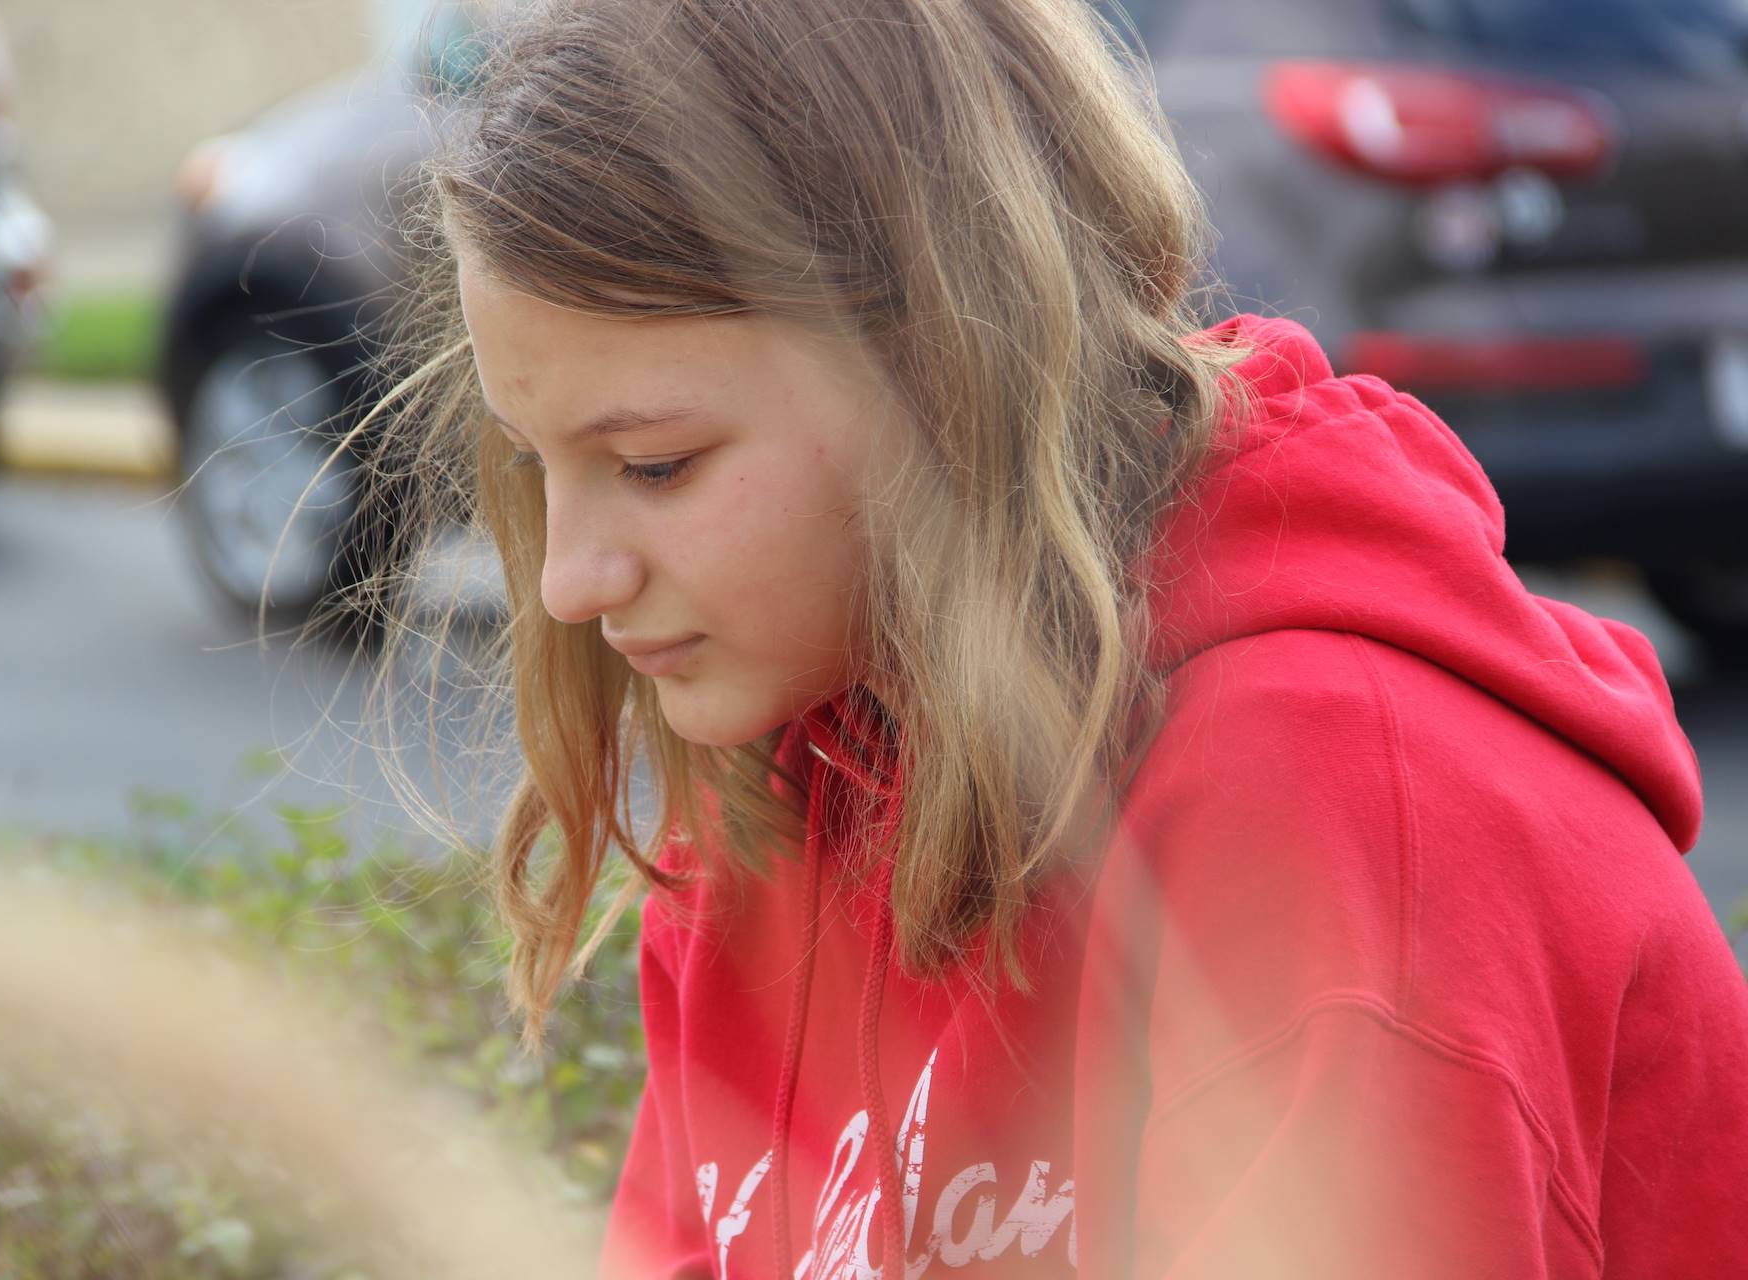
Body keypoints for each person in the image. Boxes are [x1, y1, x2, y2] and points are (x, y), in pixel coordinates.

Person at [357, 0, 1748, 1274]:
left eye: (656, 463)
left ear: (954, 363)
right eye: (541, 467)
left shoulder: (1347, 813)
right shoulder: (790, 773)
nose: (571, 586)